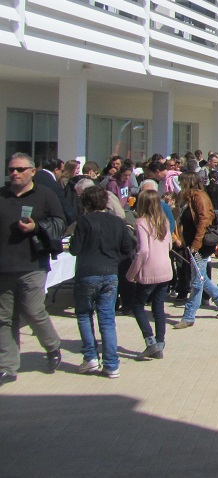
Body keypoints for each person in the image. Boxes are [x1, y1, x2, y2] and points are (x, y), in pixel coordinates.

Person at [0, 153, 65, 386]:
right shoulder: (2, 194)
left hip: (33, 264)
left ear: (32, 171)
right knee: (4, 318)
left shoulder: (45, 195)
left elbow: (60, 223)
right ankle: (7, 366)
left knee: (33, 310)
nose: (14, 173)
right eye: (11, 170)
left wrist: (36, 227)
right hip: (4, 267)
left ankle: (52, 346)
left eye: (19, 169)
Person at [70, 186, 134, 378]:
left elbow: (74, 249)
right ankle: (112, 363)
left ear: (86, 203)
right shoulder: (117, 222)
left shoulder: (84, 222)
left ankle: (90, 356)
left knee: (84, 314)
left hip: (87, 272)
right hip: (110, 272)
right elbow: (127, 247)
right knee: (107, 319)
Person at [175, 172, 218, 328]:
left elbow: (204, 221)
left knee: (197, 280)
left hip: (201, 245)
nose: (179, 185)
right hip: (191, 243)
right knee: (200, 276)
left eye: (182, 182)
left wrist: (196, 244)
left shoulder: (200, 197)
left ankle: (189, 316)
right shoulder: (186, 197)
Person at [126, 190, 173, 362]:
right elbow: (168, 245)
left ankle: (150, 340)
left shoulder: (141, 222)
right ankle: (160, 343)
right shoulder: (164, 222)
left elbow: (143, 250)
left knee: (138, 305)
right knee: (158, 307)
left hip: (149, 269)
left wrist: (131, 273)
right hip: (165, 268)